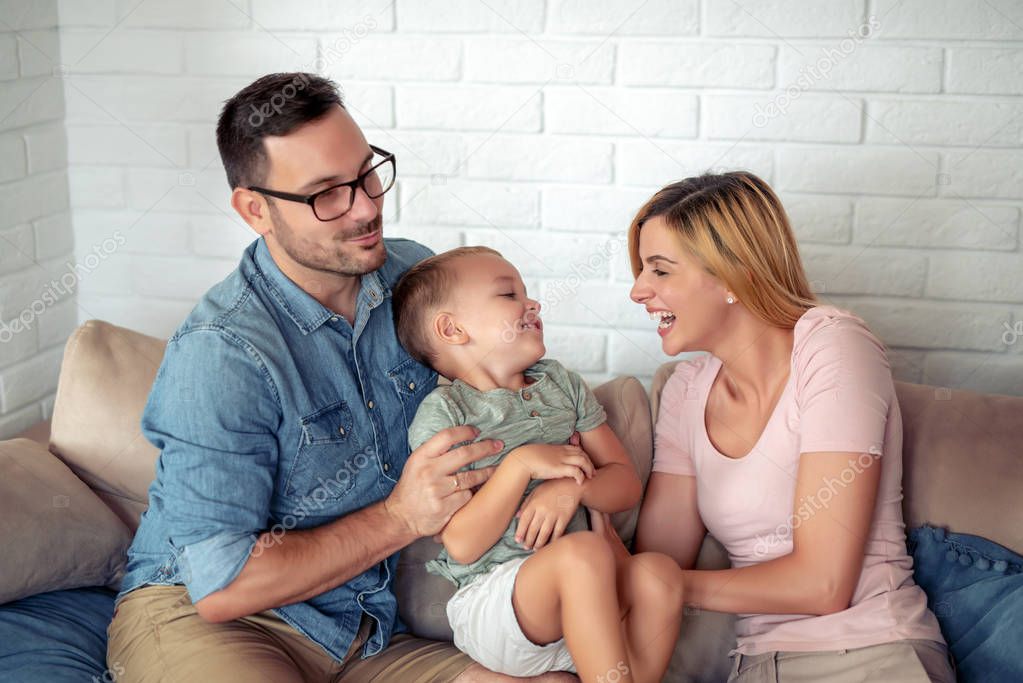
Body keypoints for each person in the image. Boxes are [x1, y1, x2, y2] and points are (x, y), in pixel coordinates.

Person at [106, 72, 575, 682]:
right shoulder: (221, 354)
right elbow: (222, 586)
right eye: (327, 193)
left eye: (366, 172)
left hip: (364, 624)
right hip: (207, 619)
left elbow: (519, 391)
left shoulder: (413, 276)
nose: (367, 205)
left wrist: (571, 477)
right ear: (257, 209)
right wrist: (403, 518)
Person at [625, 171, 956, 682]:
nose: (637, 290)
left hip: (869, 653)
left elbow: (824, 585)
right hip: (755, 666)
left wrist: (668, 584)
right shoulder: (685, 389)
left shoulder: (833, 346)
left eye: (660, 271)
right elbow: (656, 562)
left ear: (734, 275)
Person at [391, 246, 685, 682]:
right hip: (501, 605)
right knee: (583, 553)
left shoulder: (562, 385)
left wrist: (575, 489)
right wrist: (521, 465)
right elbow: (462, 545)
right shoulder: (447, 414)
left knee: (659, 574)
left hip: (591, 610)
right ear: (452, 329)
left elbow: (625, 485)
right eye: (509, 295)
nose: (533, 304)